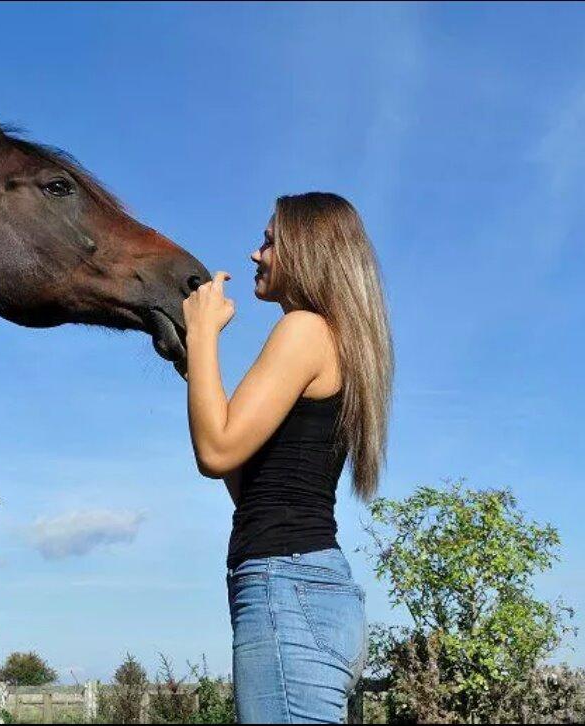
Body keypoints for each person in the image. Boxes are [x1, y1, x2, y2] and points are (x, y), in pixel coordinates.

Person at [182, 192, 393, 723]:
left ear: (307, 251)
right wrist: (198, 372)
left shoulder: (305, 330)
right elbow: (243, 479)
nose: (256, 254)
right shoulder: (335, 339)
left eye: (269, 241)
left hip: (287, 589)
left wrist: (202, 335)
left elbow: (214, 450)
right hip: (299, 587)